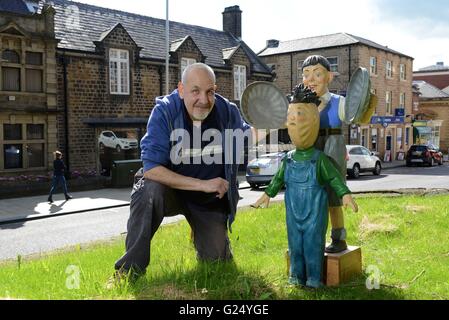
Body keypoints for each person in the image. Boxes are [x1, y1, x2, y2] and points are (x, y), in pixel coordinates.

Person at [112, 63, 252, 281]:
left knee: (218, 266)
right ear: (181, 89)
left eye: (210, 92)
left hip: (208, 201)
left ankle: (202, 233)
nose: (203, 100)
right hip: (170, 192)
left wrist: (281, 122)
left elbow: (246, 138)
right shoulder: (165, 111)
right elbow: (151, 169)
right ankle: (129, 270)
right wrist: (204, 184)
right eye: (195, 91)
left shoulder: (226, 111)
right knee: (148, 190)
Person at [252, 84, 358, 288]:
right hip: (293, 212)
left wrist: (345, 195)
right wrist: (266, 195)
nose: (297, 129)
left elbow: (335, 179)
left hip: (315, 214)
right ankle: (296, 275)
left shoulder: (319, 159)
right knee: (295, 244)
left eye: (302, 123)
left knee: (313, 244)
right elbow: (277, 180)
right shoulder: (289, 159)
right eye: (292, 123)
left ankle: (314, 278)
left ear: (314, 123)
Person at [301, 55, 350, 253]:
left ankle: (339, 237)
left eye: (317, 74)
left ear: (329, 77)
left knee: (333, 196)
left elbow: (357, 115)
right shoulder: (302, 103)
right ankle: (312, 238)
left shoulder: (339, 102)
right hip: (310, 146)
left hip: (333, 146)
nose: (311, 80)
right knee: (310, 194)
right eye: (306, 75)